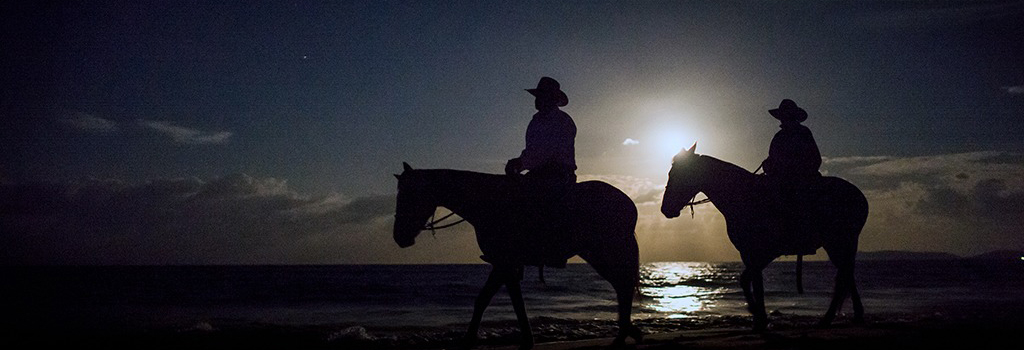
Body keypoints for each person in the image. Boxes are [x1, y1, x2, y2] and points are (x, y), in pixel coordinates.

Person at [503, 76, 577, 268]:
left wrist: (522, 162)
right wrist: (520, 163)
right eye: (537, 96)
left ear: (551, 98)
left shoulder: (562, 121)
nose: (536, 100)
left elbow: (547, 151)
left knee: (541, 201)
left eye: (541, 96)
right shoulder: (535, 121)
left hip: (558, 173)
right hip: (539, 171)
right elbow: (532, 150)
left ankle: (553, 249)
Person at [760, 99, 821, 255]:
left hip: (801, 178)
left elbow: (814, 158)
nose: (782, 119)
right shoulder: (779, 136)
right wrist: (768, 164)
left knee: (796, 200)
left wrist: (791, 168)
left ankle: (801, 237)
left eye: (785, 116)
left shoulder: (803, 133)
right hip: (780, 177)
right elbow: (772, 157)